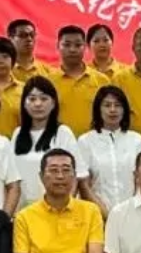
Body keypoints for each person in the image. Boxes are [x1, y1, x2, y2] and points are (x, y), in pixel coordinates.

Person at [11, 76, 88, 209]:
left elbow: (76, 176)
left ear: (53, 103)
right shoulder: (18, 133)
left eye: (44, 98)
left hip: (55, 210)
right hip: (23, 212)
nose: (38, 104)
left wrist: (64, 207)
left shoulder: (63, 132)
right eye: (32, 99)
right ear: (24, 103)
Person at [77, 85, 141, 218]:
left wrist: (131, 210)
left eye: (118, 105)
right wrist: (105, 214)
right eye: (107, 105)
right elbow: (84, 185)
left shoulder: (137, 140)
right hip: (97, 215)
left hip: (133, 214)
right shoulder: (85, 141)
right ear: (98, 109)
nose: (112, 110)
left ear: (125, 109)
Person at [48, 24, 109, 137]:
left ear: (85, 47)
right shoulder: (48, 82)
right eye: (67, 45)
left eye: (78, 45)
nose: (72, 49)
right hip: (59, 142)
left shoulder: (102, 80)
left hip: (94, 142)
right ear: (58, 46)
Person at [7, 18, 51, 83]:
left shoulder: (48, 71)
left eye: (32, 35)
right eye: (23, 35)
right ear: (10, 39)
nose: (29, 39)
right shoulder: (2, 70)